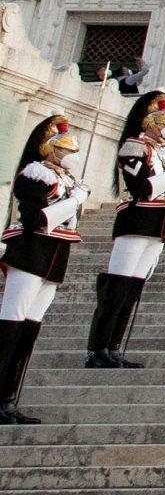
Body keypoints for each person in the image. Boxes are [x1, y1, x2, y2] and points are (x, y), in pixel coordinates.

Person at [87, 89, 165, 370]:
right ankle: (97, 348)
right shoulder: (134, 147)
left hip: (159, 223)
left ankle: (114, 346)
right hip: (136, 219)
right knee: (117, 285)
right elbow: (143, 188)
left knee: (133, 287)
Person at [0, 113, 87, 424]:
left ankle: (9, 398)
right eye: (61, 150)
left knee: (29, 328)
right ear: (47, 148)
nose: (65, 157)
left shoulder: (64, 178)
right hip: (30, 252)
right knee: (11, 324)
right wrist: (75, 199)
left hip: (54, 256)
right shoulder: (33, 174)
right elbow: (38, 220)